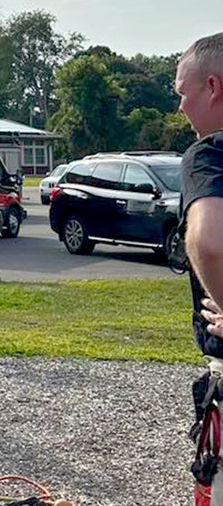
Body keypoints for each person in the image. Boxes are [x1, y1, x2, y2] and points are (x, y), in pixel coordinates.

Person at [174, 32, 223, 503]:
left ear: (214, 87)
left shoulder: (211, 155)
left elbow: (208, 243)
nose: (182, 108)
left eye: (182, 92)